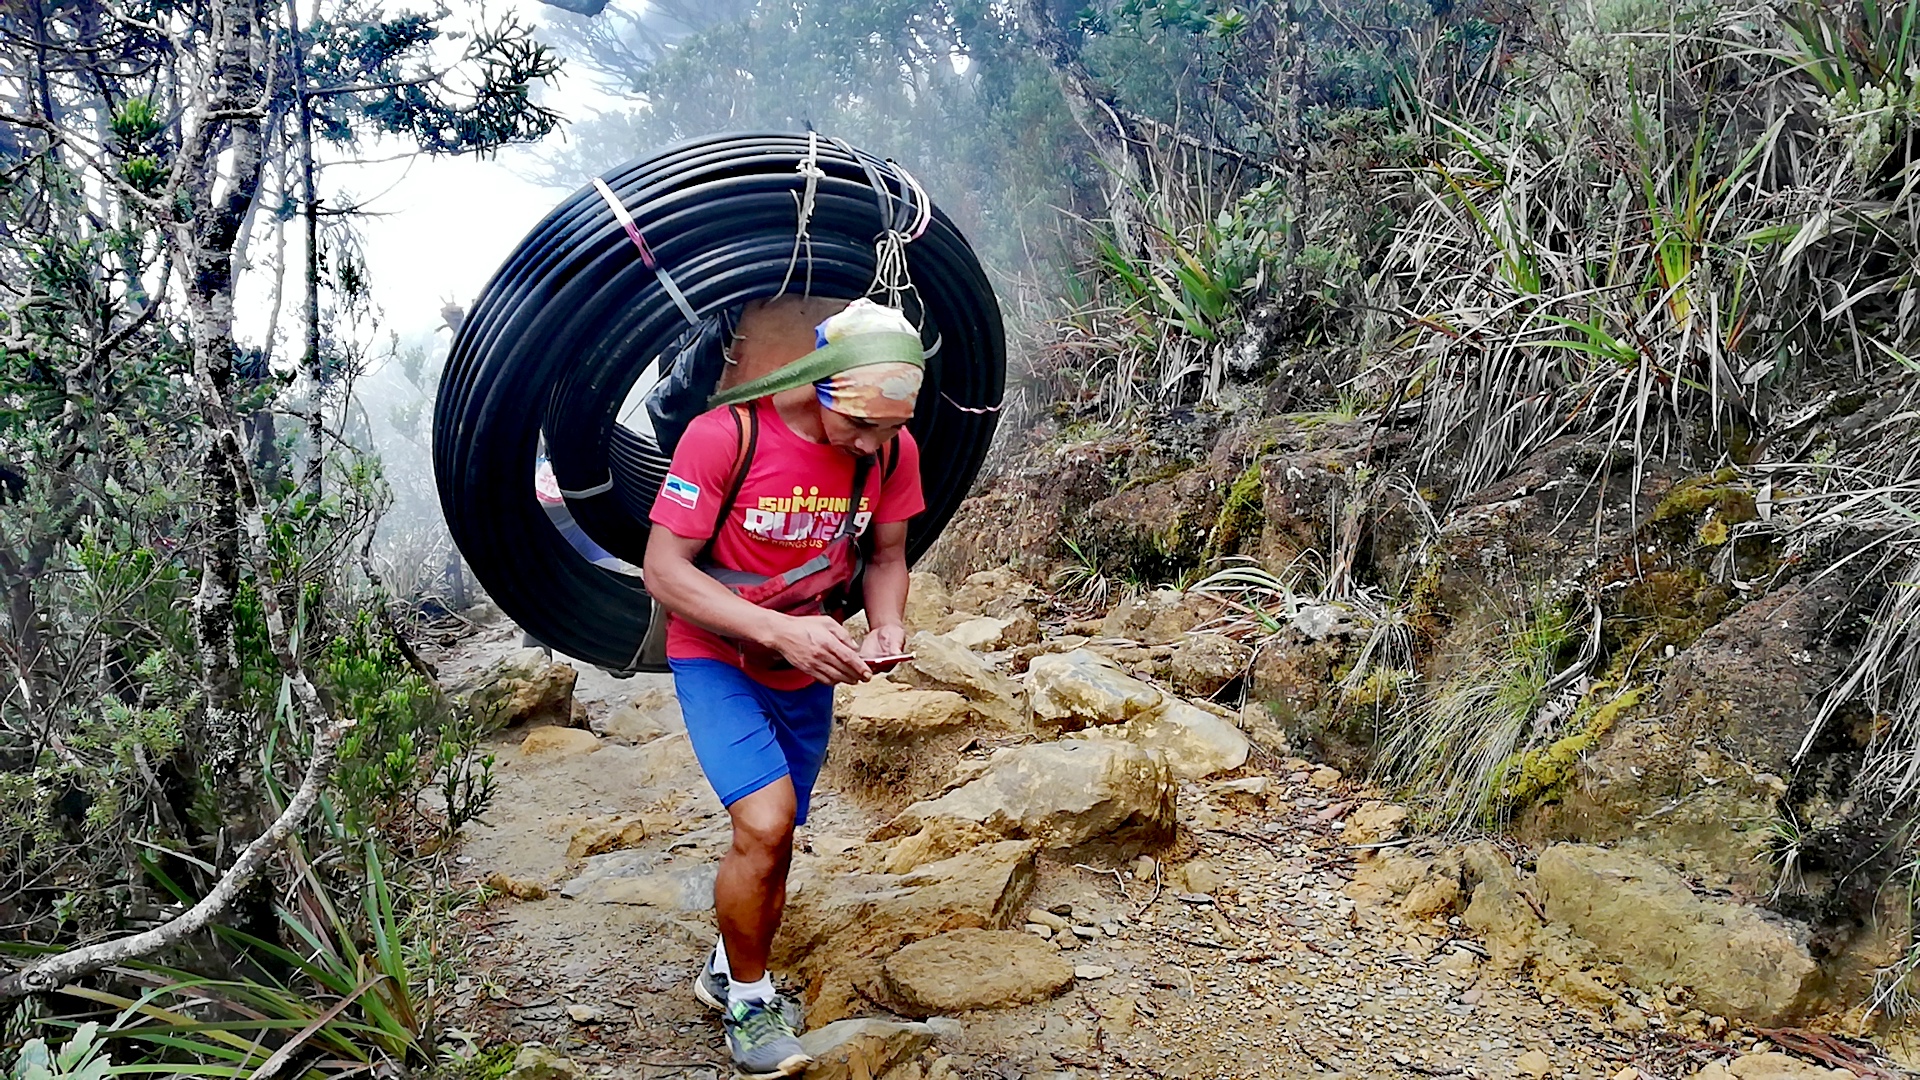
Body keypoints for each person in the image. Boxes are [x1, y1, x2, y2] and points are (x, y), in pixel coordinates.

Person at [642, 296, 924, 1078]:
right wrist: (776, 630)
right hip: (719, 653)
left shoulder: (892, 451)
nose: (871, 447)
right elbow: (664, 570)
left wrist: (887, 626)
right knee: (765, 825)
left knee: (779, 830)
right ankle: (750, 1003)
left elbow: (888, 555)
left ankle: (727, 961)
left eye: (888, 431)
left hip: (810, 660)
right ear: (820, 382)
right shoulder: (725, 437)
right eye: (860, 427)